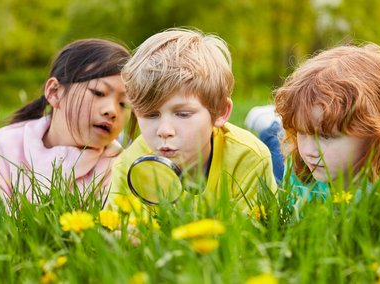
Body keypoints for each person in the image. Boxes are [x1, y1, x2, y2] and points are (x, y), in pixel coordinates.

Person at [248, 43, 380, 202]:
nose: (309, 150)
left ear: (375, 131)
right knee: (276, 154)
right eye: (302, 131)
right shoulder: (300, 169)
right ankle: (272, 125)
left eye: (326, 135)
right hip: (287, 160)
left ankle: (274, 125)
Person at [107, 28, 277, 211]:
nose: (164, 130)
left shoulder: (248, 157)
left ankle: (273, 127)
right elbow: (117, 229)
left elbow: (252, 233)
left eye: (182, 114)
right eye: (150, 114)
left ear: (220, 111)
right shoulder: (128, 165)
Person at [0, 39, 132, 204]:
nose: (112, 111)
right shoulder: (0, 150)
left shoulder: (120, 167)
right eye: (98, 93)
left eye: (123, 104)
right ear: (54, 92)